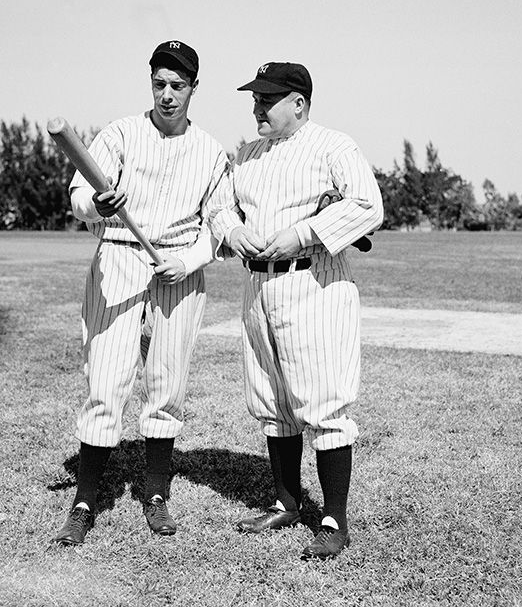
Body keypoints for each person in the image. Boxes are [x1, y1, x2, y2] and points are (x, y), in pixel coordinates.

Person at [52, 40, 227, 545]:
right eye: (159, 84)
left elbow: (217, 222)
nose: (167, 95)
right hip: (121, 254)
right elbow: (78, 193)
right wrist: (100, 204)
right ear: (149, 83)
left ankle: (155, 494)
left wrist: (189, 259)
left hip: (177, 264)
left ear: (194, 87)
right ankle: (84, 502)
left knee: (166, 385)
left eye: (177, 85)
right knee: (106, 383)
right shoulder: (122, 134)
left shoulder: (211, 151)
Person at [208, 62, 384, 560]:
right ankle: (286, 502)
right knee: (274, 401)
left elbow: (369, 206)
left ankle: (333, 519)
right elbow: (220, 206)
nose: (257, 107)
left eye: (268, 99)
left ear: (299, 103)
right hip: (259, 284)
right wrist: (230, 229)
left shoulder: (334, 145)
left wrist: (305, 232)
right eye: (255, 98)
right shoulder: (246, 153)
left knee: (324, 403)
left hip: (313, 282)